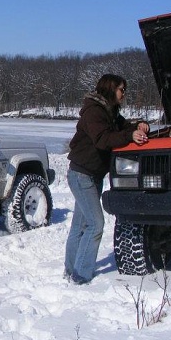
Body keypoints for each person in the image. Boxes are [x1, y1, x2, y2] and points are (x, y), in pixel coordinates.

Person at [64, 74, 150, 285]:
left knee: (81, 225)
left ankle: (70, 271)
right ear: (111, 89)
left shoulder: (109, 111)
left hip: (92, 174)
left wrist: (139, 126)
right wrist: (129, 137)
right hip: (81, 174)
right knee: (96, 224)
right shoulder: (94, 112)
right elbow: (103, 140)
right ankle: (81, 275)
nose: (124, 94)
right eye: (122, 89)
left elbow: (123, 127)